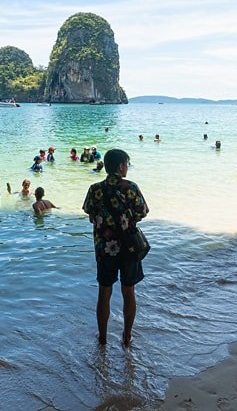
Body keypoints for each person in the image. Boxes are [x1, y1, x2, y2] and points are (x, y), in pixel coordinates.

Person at [82, 149, 148, 347]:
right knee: (129, 292)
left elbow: (90, 214)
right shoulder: (131, 187)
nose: (127, 167)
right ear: (121, 165)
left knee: (104, 292)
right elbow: (142, 212)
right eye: (127, 163)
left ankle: (102, 339)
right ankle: (126, 338)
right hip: (129, 248)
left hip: (104, 249)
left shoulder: (95, 189)